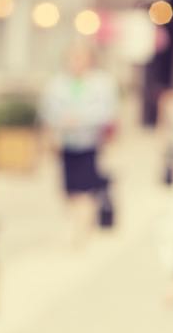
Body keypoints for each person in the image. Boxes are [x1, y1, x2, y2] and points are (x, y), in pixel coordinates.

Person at [40, 41, 118, 245]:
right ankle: (76, 223)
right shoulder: (58, 84)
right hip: (66, 144)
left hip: (89, 142)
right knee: (68, 190)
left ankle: (81, 231)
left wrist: (80, 119)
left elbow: (107, 112)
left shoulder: (101, 83)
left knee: (85, 189)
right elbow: (48, 112)